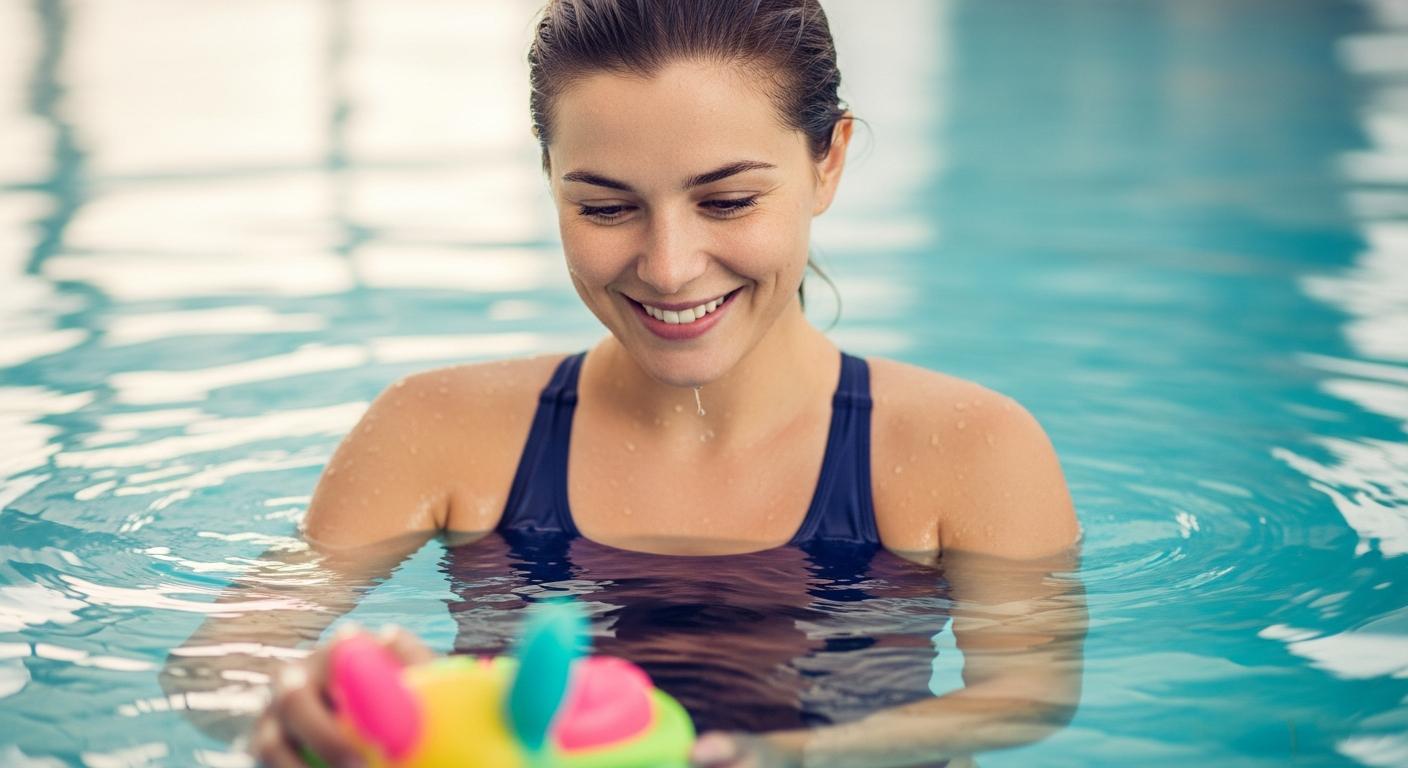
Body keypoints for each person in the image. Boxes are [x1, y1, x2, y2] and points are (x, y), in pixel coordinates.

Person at [160, 1, 1086, 766]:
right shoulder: (441, 431)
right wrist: (290, 710)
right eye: (604, 207)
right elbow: (218, 659)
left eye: (727, 200)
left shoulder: (968, 447)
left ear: (828, 161)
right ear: (549, 179)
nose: (671, 266)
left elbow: (1023, 696)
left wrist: (791, 757)